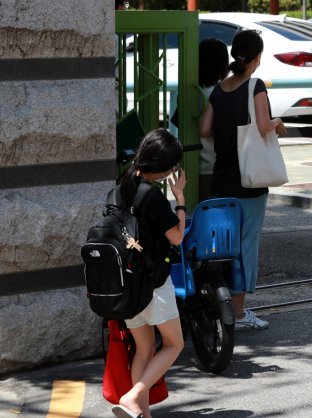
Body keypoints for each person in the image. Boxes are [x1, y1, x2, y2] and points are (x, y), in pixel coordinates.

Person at [199, 29, 286, 331]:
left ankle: (219, 305)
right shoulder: (255, 85)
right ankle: (238, 312)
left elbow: (205, 129)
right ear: (257, 56)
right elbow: (263, 126)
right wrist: (277, 123)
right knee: (245, 247)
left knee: (223, 246)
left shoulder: (220, 88)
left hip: (220, 182)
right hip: (249, 183)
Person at [112, 129, 186, 418]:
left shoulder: (120, 188)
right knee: (174, 344)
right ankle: (132, 398)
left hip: (127, 284)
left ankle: (141, 415)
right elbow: (177, 237)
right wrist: (179, 197)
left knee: (143, 349)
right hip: (153, 282)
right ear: (165, 167)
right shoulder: (151, 196)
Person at [196, 38, 229, 201]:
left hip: (191, 164)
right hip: (214, 166)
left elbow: (177, 122)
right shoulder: (219, 93)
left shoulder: (192, 91)